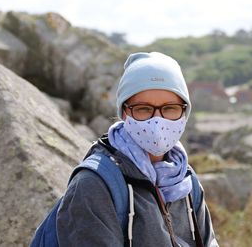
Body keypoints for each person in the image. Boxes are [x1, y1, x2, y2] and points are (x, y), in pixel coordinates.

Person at [56, 52, 219, 246]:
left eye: (169, 108)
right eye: (143, 109)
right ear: (125, 113)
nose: (158, 120)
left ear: (184, 112)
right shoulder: (94, 185)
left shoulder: (186, 180)